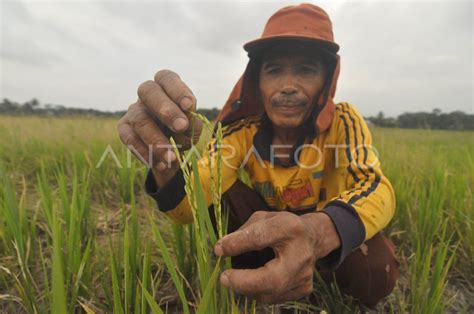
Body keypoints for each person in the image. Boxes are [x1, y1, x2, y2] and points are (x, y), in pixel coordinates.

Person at [117, 3, 399, 308]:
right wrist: (164, 161)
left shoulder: (343, 121)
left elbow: (375, 187)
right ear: (257, 82)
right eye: (274, 70)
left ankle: (324, 279)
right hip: (269, 235)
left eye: (306, 69)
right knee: (222, 199)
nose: (288, 86)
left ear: (327, 81)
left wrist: (318, 232)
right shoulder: (241, 133)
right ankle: (260, 274)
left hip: (327, 236)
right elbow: (189, 208)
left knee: (375, 272)